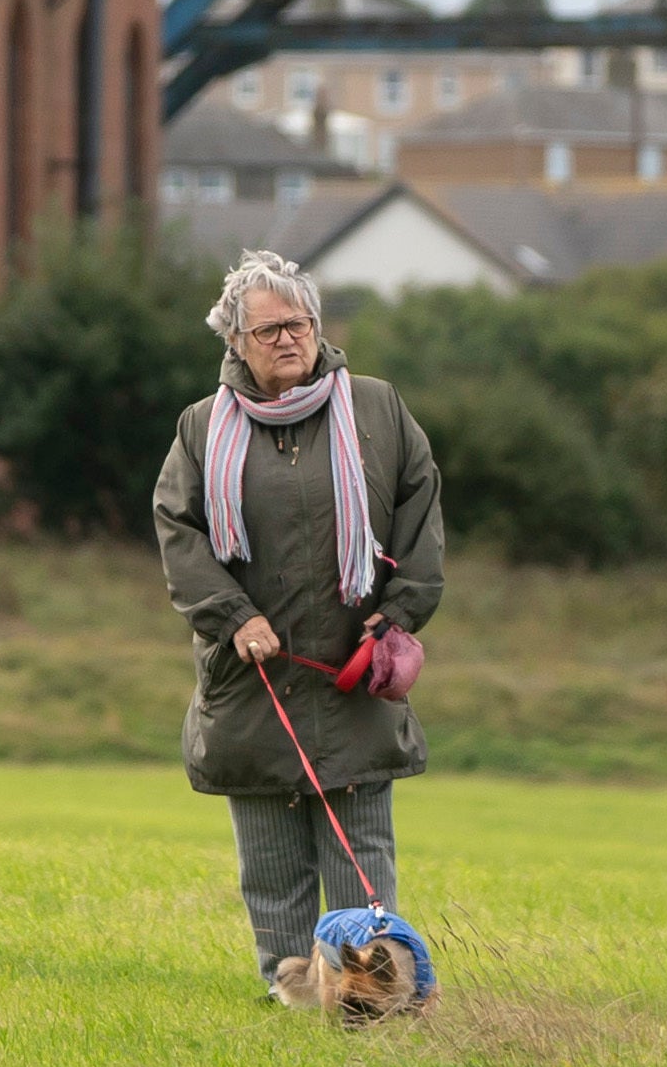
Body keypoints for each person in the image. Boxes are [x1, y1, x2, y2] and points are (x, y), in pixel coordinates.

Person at [153, 249, 447, 1003]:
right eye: (269, 329)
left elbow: (420, 515)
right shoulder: (199, 428)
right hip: (249, 678)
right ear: (236, 344)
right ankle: (287, 995)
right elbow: (177, 532)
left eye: (301, 324)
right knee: (271, 863)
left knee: (360, 857)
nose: (289, 339)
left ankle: (369, 993)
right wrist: (232, 617)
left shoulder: (378, 408)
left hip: (351, 672)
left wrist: (399, 611)